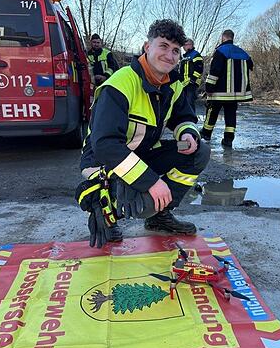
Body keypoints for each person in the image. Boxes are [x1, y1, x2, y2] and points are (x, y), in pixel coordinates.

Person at [76, 20, 210, 248]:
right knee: (144, 199)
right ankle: (103, 204)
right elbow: (105, 145)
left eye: (176, 50)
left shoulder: (172, 84)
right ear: (147, 47)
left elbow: (184, 116)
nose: (170, 55)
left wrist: (187, 133)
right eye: (164, 46)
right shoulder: (121, 83)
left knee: (200, 152)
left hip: (141, 154)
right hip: (104, 162)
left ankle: (160, 217)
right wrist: (150, 181)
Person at [202, 29, 253, 148]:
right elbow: (251, 65)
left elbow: (215, 71)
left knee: (212, 112)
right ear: (232, 38)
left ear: (223, 38)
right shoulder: (243, 53)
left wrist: (209, 87)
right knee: (231, 115)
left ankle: (206, 134)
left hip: (219, 92)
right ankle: (228, 140)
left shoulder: (220, 51)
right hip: (235, 94)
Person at [170, 38, 205, 114]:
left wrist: (193, 79)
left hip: (191, 83)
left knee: (190, 102)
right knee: (183, 102)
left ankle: (191, 120)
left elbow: (199, 68)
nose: (183, 47)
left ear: (190, 45)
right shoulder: (185, 56)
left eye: (185, 45)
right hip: (184, 83)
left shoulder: (195, 55)